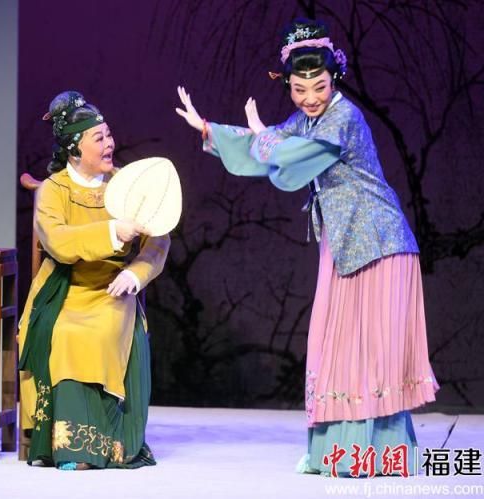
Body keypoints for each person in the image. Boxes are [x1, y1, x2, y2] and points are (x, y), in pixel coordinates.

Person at [175, 19, 438, 477]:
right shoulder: (309, 120)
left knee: (366, 351)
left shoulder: (343, 118)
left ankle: (371, 453)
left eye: (319, 86)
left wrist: (264, 135)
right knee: (334, 345)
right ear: (289, 85)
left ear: (334, 79)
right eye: (299, 89)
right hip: (345, 243)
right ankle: (335, 451)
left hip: (377, 241)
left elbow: (291, 154)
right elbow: (268, 145)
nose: (310, 98)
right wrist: (209, 130)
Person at [18, 91, 170, 470]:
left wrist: (136, 273)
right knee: (65, 332)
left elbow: (158, 239)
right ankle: (66, 446)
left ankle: (103, 446)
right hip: (64, 286)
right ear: (74, 149)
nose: (109, 144)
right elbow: (57, 240)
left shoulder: (126, 184)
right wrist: (112, 231)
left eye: (109, 135)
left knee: (102, 332)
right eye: (98, 138)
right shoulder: (54, 190)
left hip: (112, 287)